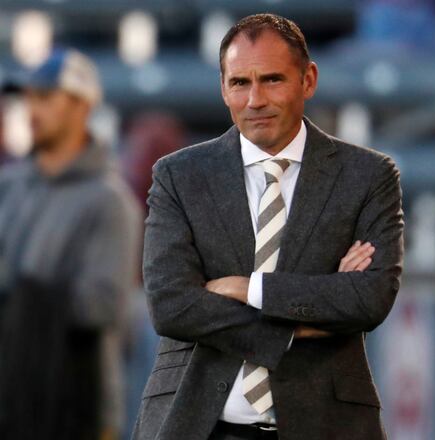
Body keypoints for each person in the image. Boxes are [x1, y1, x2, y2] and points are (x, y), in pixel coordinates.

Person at [133, 13, 404, 440]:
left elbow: (368, 300)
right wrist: (301, 326)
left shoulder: (368, 175)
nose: (255, 99)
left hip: (325, 426)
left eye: (272, 80)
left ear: (308, 80)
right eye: (240, 83)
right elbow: (172, 306)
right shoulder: (178, 175)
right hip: (198, 426)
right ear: (223, 88)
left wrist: (249, 289)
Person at [0, 48, 141, 439]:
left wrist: (17, 288)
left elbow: (102, 305)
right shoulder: (8, 186)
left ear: (82, 107)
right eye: (28, 97)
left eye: (45, 97)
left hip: (77, 406)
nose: (32, 109)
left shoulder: (110, 201)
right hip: (8, 397)